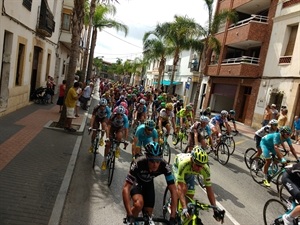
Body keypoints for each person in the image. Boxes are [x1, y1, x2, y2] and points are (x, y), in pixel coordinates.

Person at [122, 141, 177, 225]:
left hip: (148, 182)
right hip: (137, 181)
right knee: (139, 204)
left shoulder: (164, 166)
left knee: (148, 215)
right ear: (147, 158)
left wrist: (172, 216)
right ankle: (131, 221)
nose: (155, 164)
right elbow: (126, 188)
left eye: (158, 161)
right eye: (152, 161)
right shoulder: (138, 163)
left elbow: (173, 190)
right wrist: (129, 214)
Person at [172, 146, 223, 222]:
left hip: (190, 172)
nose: (199, 169)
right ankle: (173, 207)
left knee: (190, 199)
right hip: (178, 166)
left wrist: (215, 208)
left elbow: (209, 190)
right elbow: (180, 186)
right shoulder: (184, 164)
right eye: (197, 165)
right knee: (183, 189)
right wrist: (184, 207)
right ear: (192, 160)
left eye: (201, 165)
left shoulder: (205, 169)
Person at [102, 105, 129, 170]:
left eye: (121, 115)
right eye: (118, 114)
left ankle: (117, 147)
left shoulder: (125, 118)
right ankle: (104, 161)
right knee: (108, 145)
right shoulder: (112, 116)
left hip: (119, 128)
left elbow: (126, 130)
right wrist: (107, 137)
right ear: (116, 113)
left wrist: (125, 140)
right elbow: (108, 128)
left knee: (119, 136)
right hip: (112, 128)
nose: (119, 116)